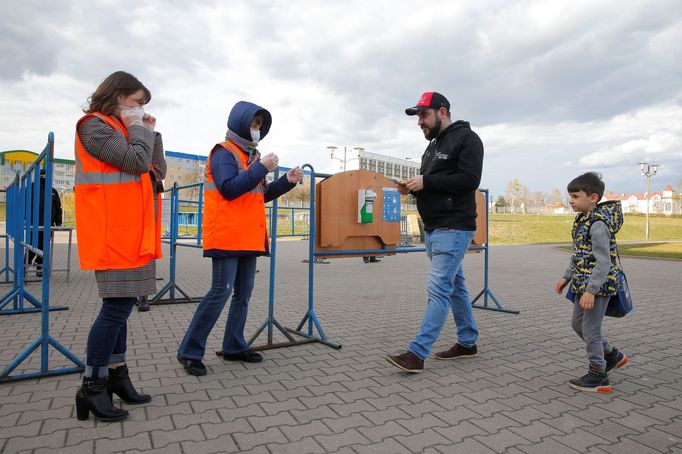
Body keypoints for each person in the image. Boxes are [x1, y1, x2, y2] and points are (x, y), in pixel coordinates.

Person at [177, 101, 303, 376]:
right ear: (239, 123)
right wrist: (262, 169)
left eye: (259, 124)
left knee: (242, 294)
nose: (256, 129)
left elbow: (260, 194)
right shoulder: (223, 152)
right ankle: (189, 350)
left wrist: (287, 182)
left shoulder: (251, 157)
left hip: (248, 236)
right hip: (226, 235)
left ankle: (234, 345)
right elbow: (229, 189)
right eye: (253, 123)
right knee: (219, 293)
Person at [74, 71, 167, 421]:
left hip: (133, 234)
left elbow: (156, 170)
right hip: (113, 235)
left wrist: (151, 132)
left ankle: (117, 376)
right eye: (137, 101)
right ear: (117, 96)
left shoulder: (126, 130)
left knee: (122, 308)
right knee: (114, 310)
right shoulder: (93, 127)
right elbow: (136, 162)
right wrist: (139, 131)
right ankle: (92, 385)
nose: (140, 108)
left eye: (143, 104)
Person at [386, 92, 483, 373]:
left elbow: (470, 179)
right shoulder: (432, 147)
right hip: (434, 228)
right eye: (417, 117)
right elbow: (435, 183)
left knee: (439, 290)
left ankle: (417, 354)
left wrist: (426, 181)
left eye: (423, 115)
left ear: (442, 112)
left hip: (453, 227)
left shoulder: (468, 139)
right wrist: (412, 186)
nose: (419, 122)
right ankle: (467, 342)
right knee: (455, 287)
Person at [555, 172, 628, 393]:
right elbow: (580, 254)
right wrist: (566, 277)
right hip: (581, 283)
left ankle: (598, 375)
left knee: (591, 330)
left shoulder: (598, 224)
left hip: (598, 286)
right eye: (570, 196)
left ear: (593, 197)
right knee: (578, 325)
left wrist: (591, 291)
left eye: (575, 196)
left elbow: (603, 262)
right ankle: (612, 355)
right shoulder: (582, 219)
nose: (571, 201)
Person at [27, 169, 63, 278]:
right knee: (32, 247)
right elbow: (24, 204)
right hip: (33, 225)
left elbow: (58, 208)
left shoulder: (52, 191)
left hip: (48, 226)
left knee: (43, 248)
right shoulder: (31, 189)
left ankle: (40, 269)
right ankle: (24, 268)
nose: (44, 178)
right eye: (42, 176)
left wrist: (58, 223)